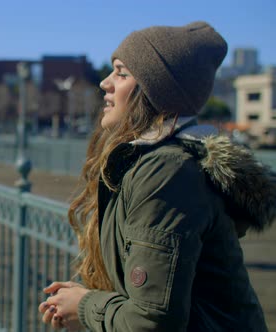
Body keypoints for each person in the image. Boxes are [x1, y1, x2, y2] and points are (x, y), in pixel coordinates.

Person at [38, 21, 273, 331]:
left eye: (121, 73)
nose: (105, 83)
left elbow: (152, 321)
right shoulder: (156, 162)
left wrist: (84, 305)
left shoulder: (167, 172)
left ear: (156, 89)